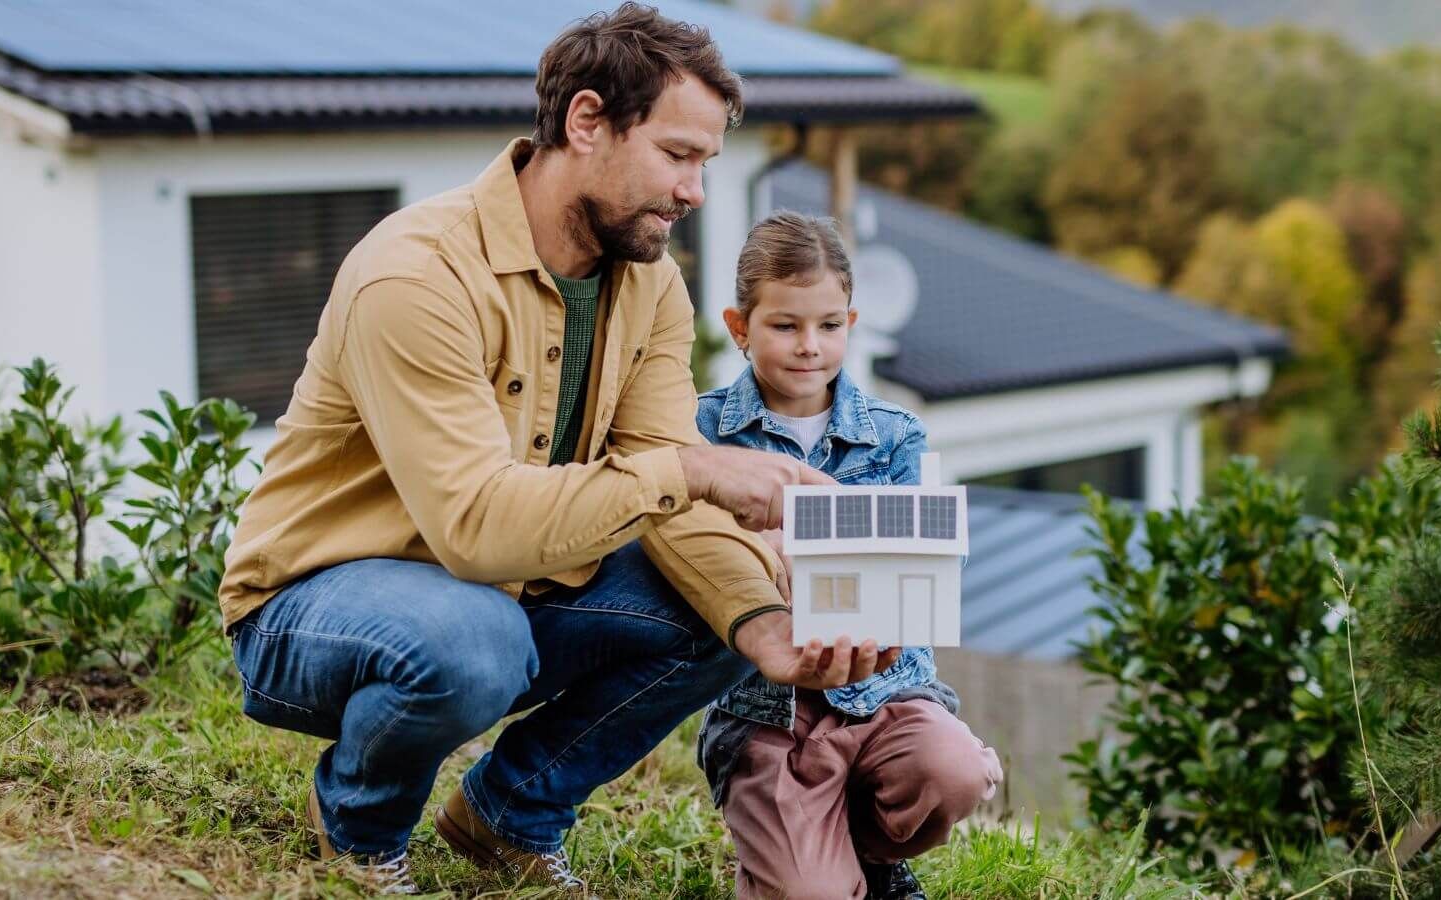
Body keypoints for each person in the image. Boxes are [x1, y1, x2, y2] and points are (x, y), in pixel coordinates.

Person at [218, 6, 896, 894]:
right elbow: (475, 528)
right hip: (313, 608)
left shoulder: (649, 283)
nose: (695, 190)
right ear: (586, 122)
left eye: (706, 162)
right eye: (678, 155)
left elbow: (666, 492)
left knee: (726, 591)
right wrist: (696, 466)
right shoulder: (416, 273)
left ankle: (508, 816)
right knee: (475, 639)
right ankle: (362, 829)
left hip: (502, 595)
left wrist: (766, 629)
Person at [696, 212, 1003, 900]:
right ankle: (809, 857)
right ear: (739, 325)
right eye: (785, 326)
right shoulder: (704, 432)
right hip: (768, 709)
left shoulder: (896, 436)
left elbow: (928, 564)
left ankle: (870, 854)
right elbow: (683, 553)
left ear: (852, 322)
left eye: (829, 326)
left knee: (951, 771)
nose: (810, 347)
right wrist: (756, 548)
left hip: (885, 694)